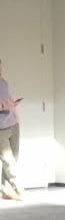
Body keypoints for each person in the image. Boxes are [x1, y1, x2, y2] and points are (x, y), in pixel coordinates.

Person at [0, 61, 23, 201]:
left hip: (13, 123)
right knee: (8, 160)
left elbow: (7, 98)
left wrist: (13, 108)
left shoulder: (3, 82)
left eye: (0, 65)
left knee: (13, 158)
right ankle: (18, 189)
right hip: (0, 129)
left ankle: (5, 190)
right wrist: (2, 107)